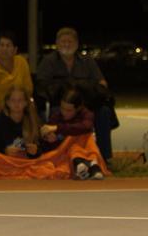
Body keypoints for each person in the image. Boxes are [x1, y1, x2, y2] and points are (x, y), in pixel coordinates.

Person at [34, 26, 116, 160]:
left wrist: (84, 90)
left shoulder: (87, 61)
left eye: (70, 41)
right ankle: (57, 154)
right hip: (59, 106)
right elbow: (41, 87)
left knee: (104, 112)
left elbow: (102, 84)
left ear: (77, 44)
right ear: (57, 43)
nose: (66, 44)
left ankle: (104, 157)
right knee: (53, 112)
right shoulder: (48, 62)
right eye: (63, 41)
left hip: (85, 105)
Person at [40, 88, 105, 179]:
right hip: (63, 154)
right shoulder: (56, 116)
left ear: (78, 108)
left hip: (84, 149)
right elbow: (48, 145)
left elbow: (86, 127)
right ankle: (92, 166)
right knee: (75, 140)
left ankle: (82, 165)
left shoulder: (86, 114)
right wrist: (49, 138)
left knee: (85, 135)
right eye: (62, 108)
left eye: (69, 110)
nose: (64, 112)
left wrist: (58, 128)